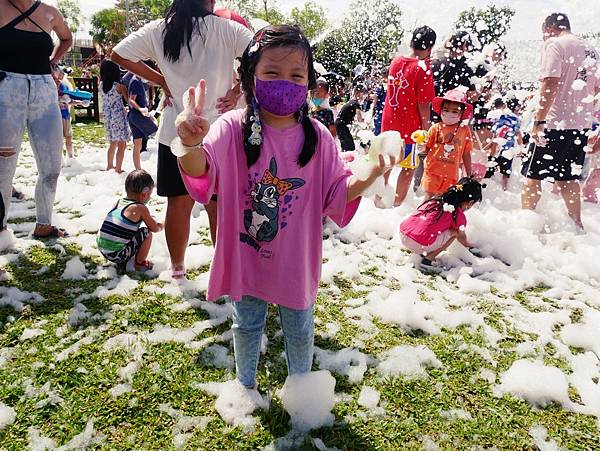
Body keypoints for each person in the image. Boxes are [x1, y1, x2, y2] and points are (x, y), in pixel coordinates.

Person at [173, 25, 394, 390]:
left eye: (297, 75)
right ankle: (245, 386)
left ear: (308, 83)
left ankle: (301, 393)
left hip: (295, 260)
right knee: (245, 325)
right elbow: (203, 176)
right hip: (247, 258)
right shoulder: (231, 128)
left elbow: (337, 193)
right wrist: (190, 145)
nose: (284, 83)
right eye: (272, 73)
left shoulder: (318, 137)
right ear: (251, 77)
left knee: (299, 328)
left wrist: (367, 175)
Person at [111, 0, 253, 278]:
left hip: (176, 132)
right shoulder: (228, 29)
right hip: (219, 133)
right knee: (218, 204)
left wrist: (161, 79)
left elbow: (118, 54)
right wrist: (237, 90)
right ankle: (222, 266)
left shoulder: (159, 30)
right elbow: (263, 55)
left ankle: (178, 268)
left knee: (178, 202)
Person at [521, 13, 600, 232]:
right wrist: (586, 112)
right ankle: (577, 225)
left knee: (532, 176)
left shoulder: (555, 44)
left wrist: (539, 121)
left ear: (550, 29)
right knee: (568, 178)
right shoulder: (591, 48)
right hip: (581, 125)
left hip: (554, 123)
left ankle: (526, 228)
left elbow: (550, 83)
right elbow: (596, 87)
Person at [0, 0, 72, 238]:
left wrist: (52, 61)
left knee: (52, 164)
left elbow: (67, 38)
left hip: (44, 87)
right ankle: (1, 231)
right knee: (3, 167)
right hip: (7, 87)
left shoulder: (50, 12)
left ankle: (44, 224)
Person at [381, 25, 437, 205]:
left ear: (412, 42)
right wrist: (427, 130)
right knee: (407, 168)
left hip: (388, 124)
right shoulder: (423, 69)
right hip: (409, 129)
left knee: (385, 165)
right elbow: (423, 105)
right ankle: (396, 206)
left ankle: (377, 202)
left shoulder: (396, 61)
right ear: (429, 48)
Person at [400, 177, 483, 271]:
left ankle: (421, 249)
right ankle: (428, 259)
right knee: (455, 232)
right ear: (470, 203)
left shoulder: (436, 200)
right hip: (417, 243)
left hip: (403, 234)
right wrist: (469, 245)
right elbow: (461, 237)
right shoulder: (457, 215)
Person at [97, 169, 163, 273]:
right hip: (116, 254)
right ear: (145, 194)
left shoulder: (119, 202)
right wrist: (163, 224)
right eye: (150, 194)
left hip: (103, 249)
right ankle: (140, 263)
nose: (149, 197)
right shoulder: (140, 208)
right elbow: (154, 228)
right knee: (146, 232)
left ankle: (122, 255)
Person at [421, 89, 474, 198]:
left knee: (444, 202)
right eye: (446, 109)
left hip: (451, 175)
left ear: (461, 113)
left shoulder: (464, 130)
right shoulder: (435, 128)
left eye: (455, 111)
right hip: (432, 171)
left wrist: (469, 174)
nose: (449, 113)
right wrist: (420, 153)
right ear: (441, 110)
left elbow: (466, 153)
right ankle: (422, 215)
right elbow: (425, 148)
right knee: (428, 198)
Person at [485, 98, 523, 191]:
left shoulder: (496, 116)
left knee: (489, 170)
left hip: (494, 148)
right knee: (506, 173)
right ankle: (504, 190)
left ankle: (486, 190)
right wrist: (521, 147)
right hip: (507, 150)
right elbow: (518, 134)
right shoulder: (515, 119)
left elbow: (490, 131)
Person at [100, 59, 130, 173]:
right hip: (118, 118)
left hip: (108, 117)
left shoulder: (101, 85)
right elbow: (128, 100)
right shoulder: (119, 86)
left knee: (113, 143)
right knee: (122, 144)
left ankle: (109, 165)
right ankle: (118, 168)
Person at [431, 31, 476, 100]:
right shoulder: (439, 62)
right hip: (446, 105)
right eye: (460, 47)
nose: (461, 50)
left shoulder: (465, 69)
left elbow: (472, 95)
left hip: (444, 104)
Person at [127, 74, 157, 170]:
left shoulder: (137, 81)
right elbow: (131, 100)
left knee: (137, 145)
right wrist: (141, 109)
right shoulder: (135, 81)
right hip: (138, 116)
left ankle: (138, 169)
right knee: (157, 133)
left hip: (134, 115)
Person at [335, 84, 367, 152]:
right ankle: (344, 160)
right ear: (358, 93)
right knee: (350, 147)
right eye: (363, 94)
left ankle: (343, 158)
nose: (364, 97)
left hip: (340, 124)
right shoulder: (355, 103)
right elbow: (359, 119)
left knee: (346, 146)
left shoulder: (352, 102)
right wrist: (366, 123)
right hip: (341, 125)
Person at [53, 67, 74, 162]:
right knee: (58, 139)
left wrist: (81, 102)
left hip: (65, 115)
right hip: (55, 117)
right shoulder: (50, 87)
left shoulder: (64, 86)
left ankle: (71, 157)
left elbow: (69, 101)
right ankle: (59, 158)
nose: (58, 80)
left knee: (68, 137)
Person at [372, 70, 387, 136]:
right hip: (386, 112)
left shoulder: (380, 87)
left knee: (378, 131)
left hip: (380, 112)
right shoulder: (391, 86)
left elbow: (375, 100)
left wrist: (373, 111)